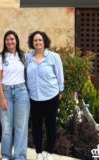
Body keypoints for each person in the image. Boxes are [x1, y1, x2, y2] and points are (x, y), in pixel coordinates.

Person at [26, 31, 64, 160]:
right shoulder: (28, 58)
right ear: (32, 42)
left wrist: (60, 91)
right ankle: (39, 152)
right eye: (35, 40)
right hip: (34, 97)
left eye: (40, 40)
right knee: (36, 126)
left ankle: (49, 152)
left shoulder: (54, 57)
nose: (38, 42)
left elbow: (60, 75)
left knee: (50, 125)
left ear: (44, 42)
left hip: (51, 96)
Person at [0, 30, 30, 160]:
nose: (10, 41)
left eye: (12, 39)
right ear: (4, 42)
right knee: (7, 127)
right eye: (7, 39)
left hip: (21, 92)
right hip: (6, 93)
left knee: (21, 127)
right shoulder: (0, 57)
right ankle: (6, 155)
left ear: (16, 41)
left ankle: (20, 156)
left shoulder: (23, 56)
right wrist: (2, 97)